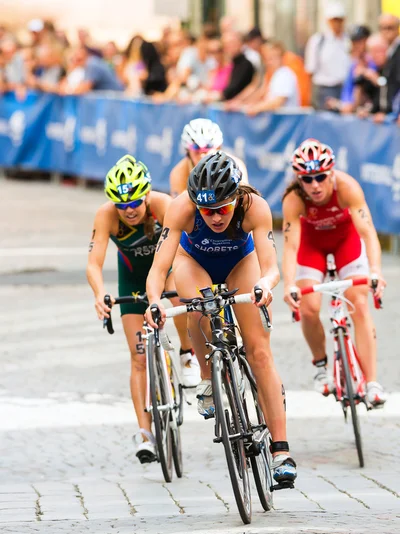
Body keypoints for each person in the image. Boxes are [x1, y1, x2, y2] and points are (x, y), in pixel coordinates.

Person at [145, 151, 297, 486]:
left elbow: (272, 267)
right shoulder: (181, 207)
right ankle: (206, 377)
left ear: (237, 197)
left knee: (259, 352)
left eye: (222, 209)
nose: (215, 218)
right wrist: (154, 301)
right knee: (197, 307)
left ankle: (281, 451)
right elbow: (159, 269)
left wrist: (264, 285)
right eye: (207, 211)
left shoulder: (253, 206)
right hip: (193, 262)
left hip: (241, 263)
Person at [86, 155, 200, 464]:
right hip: (132, 279)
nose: (129, 210)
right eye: (121, 205)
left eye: (135, 201)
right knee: (138, 358)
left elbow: (186, 249)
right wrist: (100, 294)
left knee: (179, 299)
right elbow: (94, 263)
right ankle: (145, 433)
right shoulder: (106, 216)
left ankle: (188, 353)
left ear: (146, 193)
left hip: (168, 269)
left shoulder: (163, 205)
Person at [281, 139, 386, 407]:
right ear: (299, 179)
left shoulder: (348, 187)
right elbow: (291, 247)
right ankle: (320, 366)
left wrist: (375, 271)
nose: (314, 185)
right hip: (312, 246)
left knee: (359, 303)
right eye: (307, 179)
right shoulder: (293, 199)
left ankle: (372, 382)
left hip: (345, 242)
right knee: (308, 307)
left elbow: (367, 233)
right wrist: (289, 284)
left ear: (331, 174)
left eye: (320, 177)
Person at [170, 118, 248, 198]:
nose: (202, 155)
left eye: (207, 149)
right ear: (188, 151)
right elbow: (179, 207)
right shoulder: (179, 172)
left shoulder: (235, 166)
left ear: (218, 148)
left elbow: (244, 200)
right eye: (196, 149)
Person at [304, 2, 350, 109]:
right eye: (334, 20)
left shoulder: (348, 40)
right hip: (324, 90)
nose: (337, 23)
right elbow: (310, 70)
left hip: (345, 89)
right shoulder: (318, 40)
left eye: (339, 20)